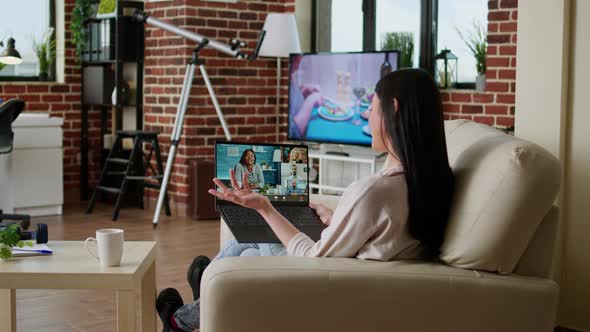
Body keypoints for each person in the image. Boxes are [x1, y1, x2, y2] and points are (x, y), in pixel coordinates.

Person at [155, 69, 455, 332]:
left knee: (250, 245)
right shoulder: (434, 179)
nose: (366, 115)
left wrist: (265, 207)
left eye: (372, 108)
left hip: (325, 284)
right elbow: (385, 232)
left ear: (393, 109)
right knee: (245, 243)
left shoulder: (374, 189)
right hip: (362, 279)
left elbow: (314, 258)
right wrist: (337, 217)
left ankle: (181, 319)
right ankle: (203, 293)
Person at [288, 55, 324, 138]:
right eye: (298, 58)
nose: (300, 60)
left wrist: (302, 92)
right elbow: (293, 133)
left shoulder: (291, 74)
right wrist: (310, 101)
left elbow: (293, 106)